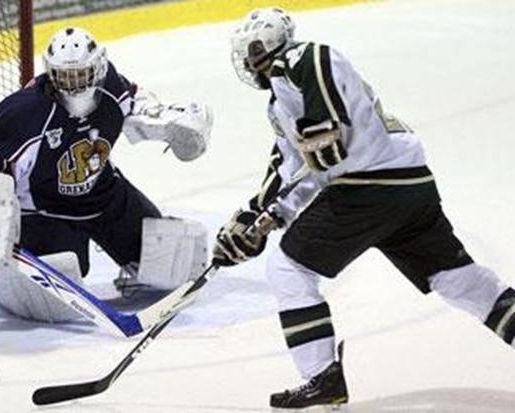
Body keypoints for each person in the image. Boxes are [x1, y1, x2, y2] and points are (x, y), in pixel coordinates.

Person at [214, 7, 515, 409]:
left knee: (289, 267)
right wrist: (261, 216)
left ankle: (322, 377)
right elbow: (295, 168)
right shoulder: (280, 103)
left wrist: (323, 124)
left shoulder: (305, 60)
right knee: (458, 280)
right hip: (408, 185)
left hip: (368, 187)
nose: (248, 62)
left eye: (251, 52)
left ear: (264, 48)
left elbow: (322, 101)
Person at [0, 27, 213, 323]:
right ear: (51, 73)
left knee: (174, 264)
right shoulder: (24, 112)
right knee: (57, 295)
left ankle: (128, 267)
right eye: (65, 76)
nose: (74, 84)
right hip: (45, 212)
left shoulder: (111, 85)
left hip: (104, 196)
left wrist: (174, 121)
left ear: (98, 67)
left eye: (81, 74)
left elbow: (137, 104)